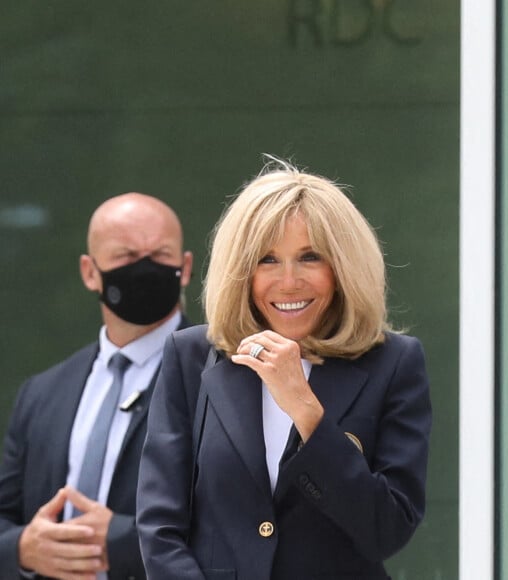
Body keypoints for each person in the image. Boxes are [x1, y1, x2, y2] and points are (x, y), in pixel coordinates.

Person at [137, 159, 432, 580]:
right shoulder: (190, 356)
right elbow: (160, 528)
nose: (289, 281)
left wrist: (306, 410)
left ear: (343, 267)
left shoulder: (394, 362)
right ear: (241, 271)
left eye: (310, 257)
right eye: (267, 260)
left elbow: (386, 530)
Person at [0, 192, 193, 580]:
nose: (144, 268)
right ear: (90, 272)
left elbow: (245, 520)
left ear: (185, 267)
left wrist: (121, 541)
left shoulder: (222, 375)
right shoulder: (41, 393)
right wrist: (23, 548)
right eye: (125, 256)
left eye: (160, 255)